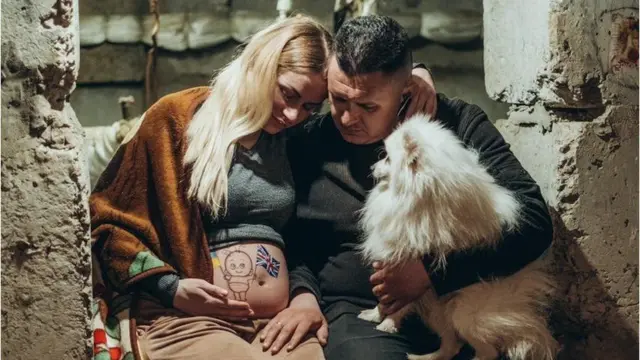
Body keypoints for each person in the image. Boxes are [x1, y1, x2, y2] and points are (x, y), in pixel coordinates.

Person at [89, 15, 437, 360]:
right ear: (262, 64)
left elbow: (374, 83)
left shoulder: (293, 140)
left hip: (277, 321)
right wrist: (171, 288)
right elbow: (109, 221)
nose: (292, 114)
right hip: (191, 318)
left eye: (310, 106)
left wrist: (418, 74)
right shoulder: (179, 119)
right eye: (288, 94)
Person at [261, 15, 554, 360]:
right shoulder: (308, 142)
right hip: (362, 315)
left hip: (466, 301)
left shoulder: (456, 123)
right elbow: (287, 239)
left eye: (368, 106)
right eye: (338, 99)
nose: (348, 118)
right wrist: (302, 295)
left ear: (406, 92)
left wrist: (430, 272)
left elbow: (534, 222)